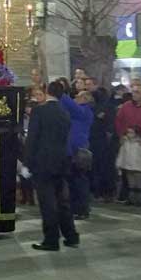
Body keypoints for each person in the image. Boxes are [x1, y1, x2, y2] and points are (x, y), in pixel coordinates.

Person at [25, 80, 78, 251]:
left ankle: (51, 239)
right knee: (63, 201)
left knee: (47, 203)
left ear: (47, 91)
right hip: (61, 160)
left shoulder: (39, 111)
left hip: (43, 162)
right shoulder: (64, 112)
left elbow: (32, 139)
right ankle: (71, 236)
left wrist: (27, 162)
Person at [61, 90, 93, 220]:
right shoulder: (76, 112)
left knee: (80, 180)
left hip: (79, 149)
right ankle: (75, 208)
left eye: (78, 96)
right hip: (71, 149)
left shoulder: (85, 111)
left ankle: (83, 208)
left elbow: (70, 104)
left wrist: (61, 92)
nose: (75, 98)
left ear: (85, 99)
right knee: (73, 180)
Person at [89, 80, 118, 203]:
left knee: (103, 167)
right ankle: (103, 191)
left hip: (102, 140)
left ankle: (104, 191)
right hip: (99, 140)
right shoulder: (99, 107)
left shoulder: (104, 107)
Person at [115, 126, 141, 206]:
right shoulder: (125, 142)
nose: (129, 134)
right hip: (128, 166)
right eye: (128, 132)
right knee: (131, 184)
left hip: (138, 167)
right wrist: (119, 164)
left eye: (131, 132)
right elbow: (121, 154)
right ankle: (131, 199)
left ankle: (139, 200)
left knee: (138, 184)